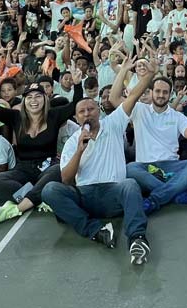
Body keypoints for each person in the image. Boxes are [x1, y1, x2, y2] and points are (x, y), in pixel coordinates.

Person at [41, 54, 155, 266]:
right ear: (76, 118)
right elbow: (66, 179)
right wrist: (79, 151)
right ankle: (97, 231)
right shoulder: (74, 141)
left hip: (113, 193)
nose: (87, 114)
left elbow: (132, 97)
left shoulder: (113, 124)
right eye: (82, 112)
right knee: (49, 190)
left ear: (99, 111)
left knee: (130, 184)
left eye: (91, 109)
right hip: (85, 196)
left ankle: (137, 239)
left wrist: (149, 76)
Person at [125, 76, 187, 214]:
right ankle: (178, 194)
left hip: (172, 166)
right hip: (146, 167)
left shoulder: (177, 116)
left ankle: (154, 199)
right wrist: (123, 70)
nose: (161, 95)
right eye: (157, 91)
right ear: (151, 92)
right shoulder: (139, 109)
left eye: (165, 92)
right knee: (130, 168)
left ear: (170, 94)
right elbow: (114, 99)